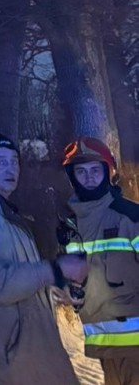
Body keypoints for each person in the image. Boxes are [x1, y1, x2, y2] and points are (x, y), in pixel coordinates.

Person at [0, 126, 85, 384]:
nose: (10, 169)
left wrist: (58, 288)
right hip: (1, 360)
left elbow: (19, 276)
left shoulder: (1, 211)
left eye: (14, 162)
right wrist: (54, 270)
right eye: (0, 162)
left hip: (10, 357)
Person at [60, 137, 139, 385]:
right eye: (81, 172)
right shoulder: (69, 225)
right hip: (104, 342)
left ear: (109, 171)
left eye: (96, 170)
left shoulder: (130, 216)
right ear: (72, 177)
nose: (89, 177)